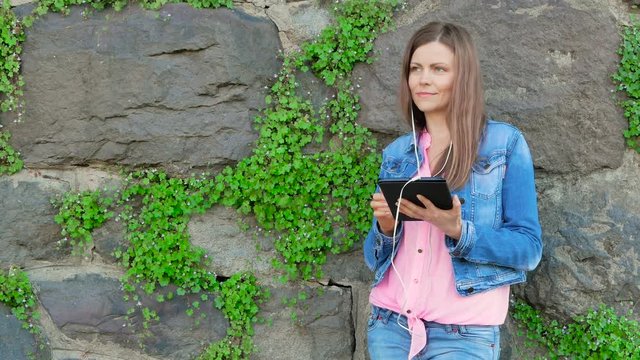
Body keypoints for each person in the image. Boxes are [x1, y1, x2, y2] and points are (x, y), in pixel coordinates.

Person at [363, 21, 543, 360]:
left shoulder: (504, 144)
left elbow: (529, 249)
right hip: (389, 327)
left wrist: (459, 231)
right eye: (415, 68)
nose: (423, 79)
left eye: (438, 69)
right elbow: (374, 259)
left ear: (462, 78)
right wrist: (385, 229)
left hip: (464, 336)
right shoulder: (399, 153)